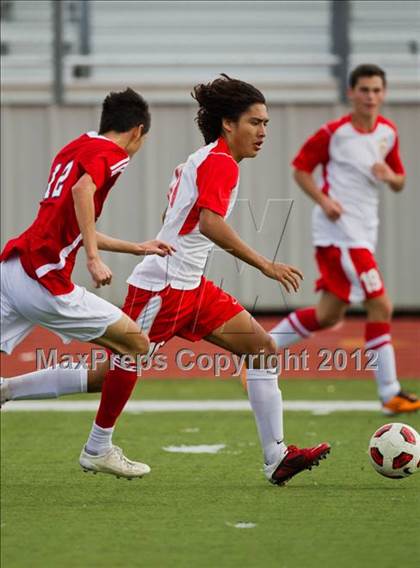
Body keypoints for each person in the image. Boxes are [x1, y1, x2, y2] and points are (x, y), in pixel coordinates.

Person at [14, 74, 330, 485]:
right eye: (255, 122)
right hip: (162, 288)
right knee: (108, 375)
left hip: (190, 287)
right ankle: (54, 420)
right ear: (228, 124)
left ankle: (277, 457)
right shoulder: (219, 164)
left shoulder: (202, 160)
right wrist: (265, 265)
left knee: (263, 351)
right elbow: (210, 224)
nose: (263, 132)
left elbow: (175, 219)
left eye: (266, 123)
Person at [0, 87, 175, 479]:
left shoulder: (74, 147)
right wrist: (94, 260)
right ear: (137, 132)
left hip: (14, 268)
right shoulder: (114, 155)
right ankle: (98, 448)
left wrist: (135, 247)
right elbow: (82, 193)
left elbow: (74, 222)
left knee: (114, 364)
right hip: (44, 280)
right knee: (134, 345)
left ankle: (5, 390)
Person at [269, 64, 420, 415]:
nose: (370, 96)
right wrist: (325, 202)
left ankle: (260, 353)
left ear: (383, 94)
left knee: (327, 313)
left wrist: (390, 175)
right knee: (381, 305)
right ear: (351, 93)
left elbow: (400, 181)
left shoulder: (388, 132)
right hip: (340, 235)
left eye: (376, 90)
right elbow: (300, 168)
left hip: (365, 233)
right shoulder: (334, 133)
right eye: (364, 90)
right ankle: (390, 393)